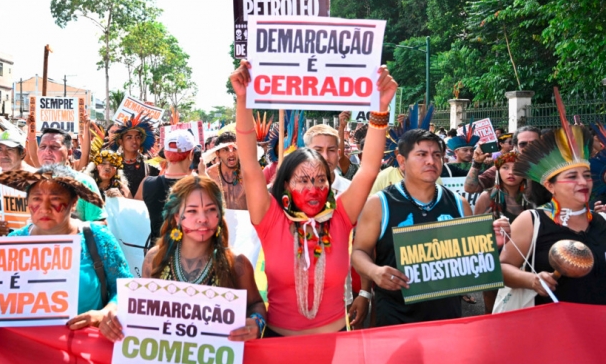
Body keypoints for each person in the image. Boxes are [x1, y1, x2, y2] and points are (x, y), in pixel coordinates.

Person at [232, 60, 397, 336]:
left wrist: (380, 109)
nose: (314, 189)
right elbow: (249, 164)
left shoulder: (341, 216)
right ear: (285, 184)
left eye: (321, 180)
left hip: (334, 347)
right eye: (303, 180)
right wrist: (243, 100)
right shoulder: (270, 218)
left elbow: (368, 169)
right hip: (279, 347)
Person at [0, 164, 133, 334]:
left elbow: (126, 289)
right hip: (27, 350)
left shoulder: (97, 238)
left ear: (74, 202)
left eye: (55, 199)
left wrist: (105, 313)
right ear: (27, 202)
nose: (44, 208)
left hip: (82, 351)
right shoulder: (11, 244)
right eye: (37, 199)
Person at [351, 129, 510, 326]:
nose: (431, 161)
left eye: (436, 155)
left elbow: (469, 260)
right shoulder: (379, 204)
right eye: (422, 154)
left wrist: (490, 243)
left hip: (446, 317)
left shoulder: (459, 204)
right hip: (395, 314)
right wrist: (374, 272)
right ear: (402, 161)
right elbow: (359, 252)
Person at [139, 175, 266, 341]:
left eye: (211, 209)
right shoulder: (155, 258)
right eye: (192, 211)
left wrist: (256, 322)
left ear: (220, 214)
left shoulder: (236, 263)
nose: (203, 219)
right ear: (177, 216)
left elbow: (256, 304)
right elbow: (142, 311)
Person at [502, 124, 606, 305]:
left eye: (587, 175)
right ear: (550, 186)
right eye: (572, 176)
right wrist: (532, 280)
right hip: (549, 327)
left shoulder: (602, 221)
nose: (583, 182)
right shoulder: (532, 221)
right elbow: (503, 267)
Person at [473, 151, 532, 313]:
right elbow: (475, 235)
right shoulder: (486, 197)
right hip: (493, 264)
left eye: (517, 168)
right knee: (493, 312)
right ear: (498, 171)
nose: (511, 172)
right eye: (505, 167)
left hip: (526, 264)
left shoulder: (532, 198)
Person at [33, 128, 106, 222]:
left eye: (54, 146)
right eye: (42, 146)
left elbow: (100, 223)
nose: (47, 151)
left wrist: (74, 229)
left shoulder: (85, 183)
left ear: (69, 152)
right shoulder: (27, 182)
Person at [141, 129, 196, 248]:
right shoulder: (198, 185)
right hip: (189, 258)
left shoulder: (148, 183)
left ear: (165, 153)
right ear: (192, 154)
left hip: (156, 256)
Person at [465, 125, 541, 194]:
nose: (529, 147)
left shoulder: (551, 163)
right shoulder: (505, 164)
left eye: (534, 143)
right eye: (523, 144)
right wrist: (476, 163)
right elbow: (470, 188)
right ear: (515, 146)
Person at [107, 113, 159, 200]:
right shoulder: (113, 163)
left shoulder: (149, 163)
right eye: (129, 138)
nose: (134, 141)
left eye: (137, 137)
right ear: (121, 141)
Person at [205, 132, 247, 210]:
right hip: (221, 221)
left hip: (245, 220)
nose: (231, 154)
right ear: (218, 153)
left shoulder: (248, 173)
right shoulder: (209, 175)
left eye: (234, 148)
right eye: (225, 150)